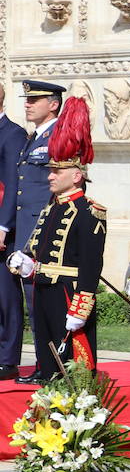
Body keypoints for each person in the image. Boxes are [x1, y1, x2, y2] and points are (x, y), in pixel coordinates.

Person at [6, 97, 104, 383]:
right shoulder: (53, 206)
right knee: (49, 361)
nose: (49, 176)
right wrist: (27, 260)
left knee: (74, 370)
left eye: (56, 171)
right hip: (46, 288)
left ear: (76, 176)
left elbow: (90, 265)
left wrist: (81, 306)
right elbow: (41, 244)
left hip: (67, 293)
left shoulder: (88, 211)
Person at [5, 80, 64, 382]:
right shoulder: (34, 137)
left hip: (42, 231)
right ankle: (44, 365)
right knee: (34, 302)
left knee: (43, 300)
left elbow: (50, 191)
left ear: (53, 104)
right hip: (27, 229)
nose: (27, 104)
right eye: (27, 99)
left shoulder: (57, 136)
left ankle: (52, 367)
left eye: (35, 99)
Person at [0, 80, 27, 381]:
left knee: (5, 296)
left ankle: (7, 359)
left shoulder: (12, 134)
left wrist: (3, 226)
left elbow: (11, 185)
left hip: (2, 229)